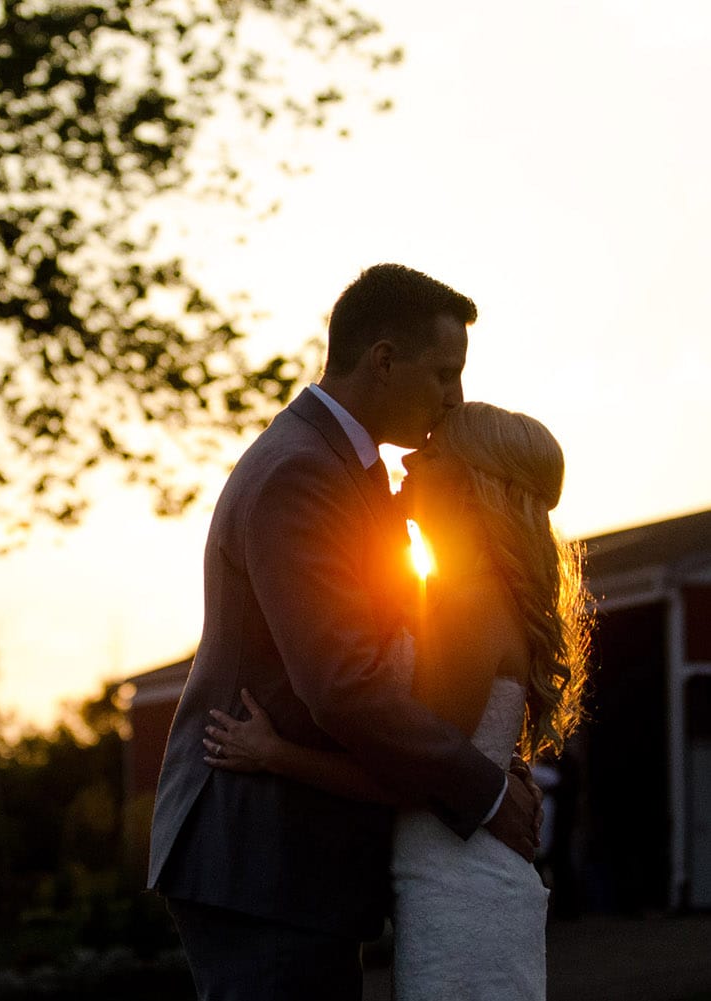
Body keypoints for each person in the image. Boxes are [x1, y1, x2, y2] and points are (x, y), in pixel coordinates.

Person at [147, 264, 542, 1001]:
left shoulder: (345, 472)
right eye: (443, 374)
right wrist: (481, 786)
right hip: (259, 851)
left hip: (294, 860)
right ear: (383, 359)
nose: (453, 399)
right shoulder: (300, 473)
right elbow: (341, 682)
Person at [202, 401, 591, 999]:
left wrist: (276, 755)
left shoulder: (469, 604)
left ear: (468, 484)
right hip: (445, 881)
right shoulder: (453, 593)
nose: (409, 455)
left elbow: (414, 777)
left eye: (433, 452)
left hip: (462, 893)